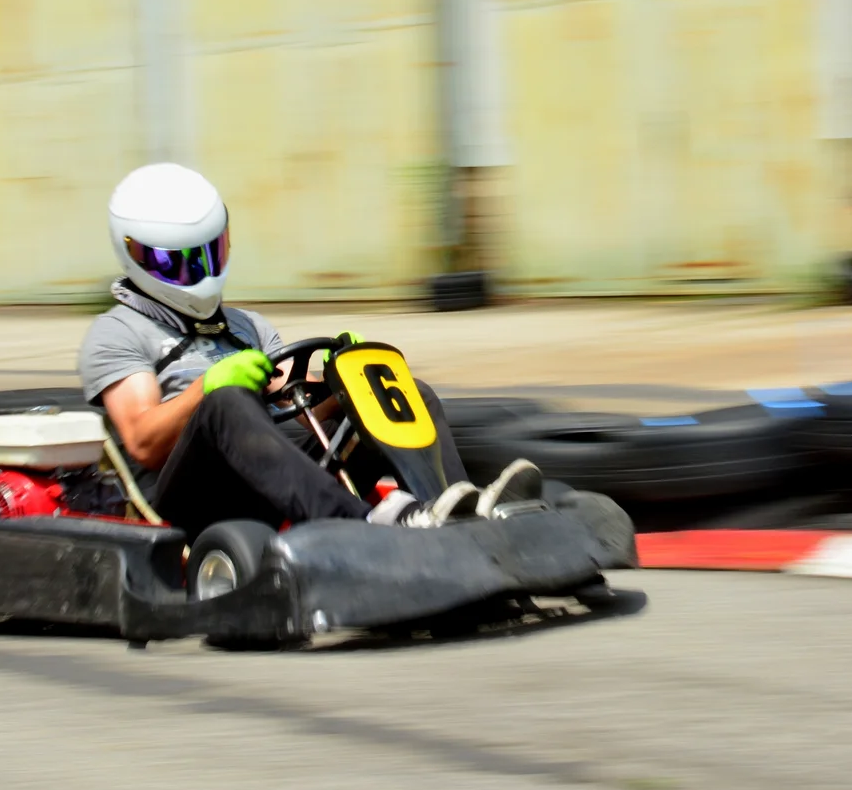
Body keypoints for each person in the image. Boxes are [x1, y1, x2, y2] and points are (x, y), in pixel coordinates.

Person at [77, 163, 539, 532]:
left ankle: (455, 511)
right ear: (135, 255)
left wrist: (345, 381)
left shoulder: (245, 327)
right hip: (186, 503)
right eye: (177, 262)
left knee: (398, 389)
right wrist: (207, 388)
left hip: (269, 480)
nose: (198, 270)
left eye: (207, 254)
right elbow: (143, 443)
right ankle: (361, 524)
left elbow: (298, 409)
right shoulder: (118, 332)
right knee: (227, 403)